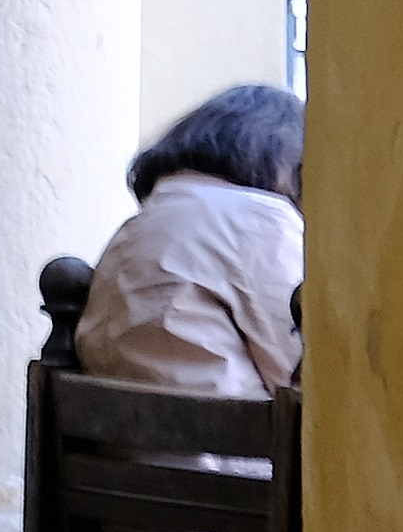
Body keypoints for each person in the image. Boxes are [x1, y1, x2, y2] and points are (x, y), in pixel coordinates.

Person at [77, 83, 305, 399]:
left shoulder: (139, 225)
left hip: (112, 443)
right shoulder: (260, 220)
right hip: (224, 442)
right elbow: (303, 370)